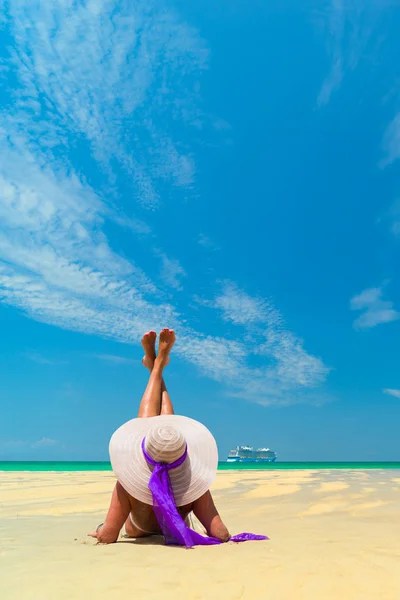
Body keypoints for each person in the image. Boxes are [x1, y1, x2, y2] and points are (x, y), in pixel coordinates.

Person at [89, 328, 231, 546]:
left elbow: (108, 535)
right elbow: (220, 534)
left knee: (157, 432)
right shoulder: (196, 484)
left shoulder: (126, 484)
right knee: (167, 433)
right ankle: (157, 365)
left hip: (138, 530)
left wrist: (100, 529)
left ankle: (156, 366)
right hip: (176, 518)